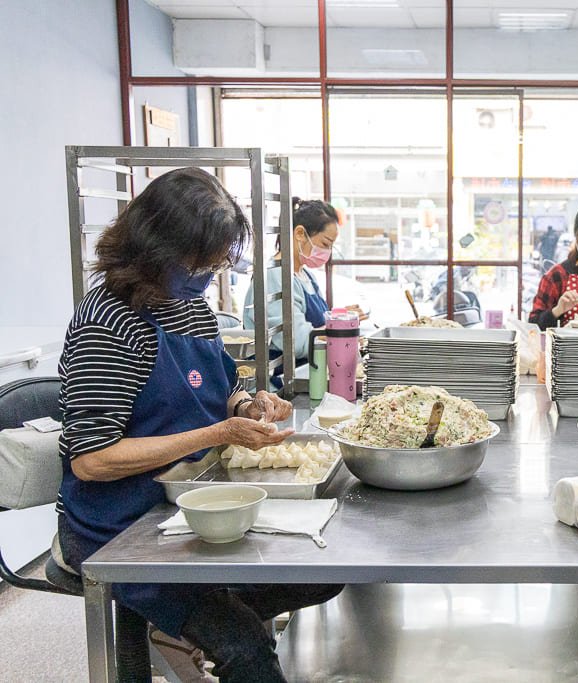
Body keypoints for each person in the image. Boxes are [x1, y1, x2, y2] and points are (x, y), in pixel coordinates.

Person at [57, 168, 344, 682]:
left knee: (327, 575)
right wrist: (217, 435)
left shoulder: (191, 307)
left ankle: (182, 624)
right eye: (198, 263)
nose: (206, 276)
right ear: (153, 245)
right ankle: (200, 623)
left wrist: (246, 408)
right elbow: (93, 461)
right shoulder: (109, 322)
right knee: (244, 646)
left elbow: (219, 391)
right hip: (122, 521)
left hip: (197, 497)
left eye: (215, 264)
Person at [243, 197, 363, 367]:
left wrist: (340, 316)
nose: (327, 252)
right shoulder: (275, 277)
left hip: (308, 370)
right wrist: (339, 326)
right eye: (325, 243)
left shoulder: (305, 275)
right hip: (280, 380)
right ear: (300, 233)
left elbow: (317, 325)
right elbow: (299, 342)